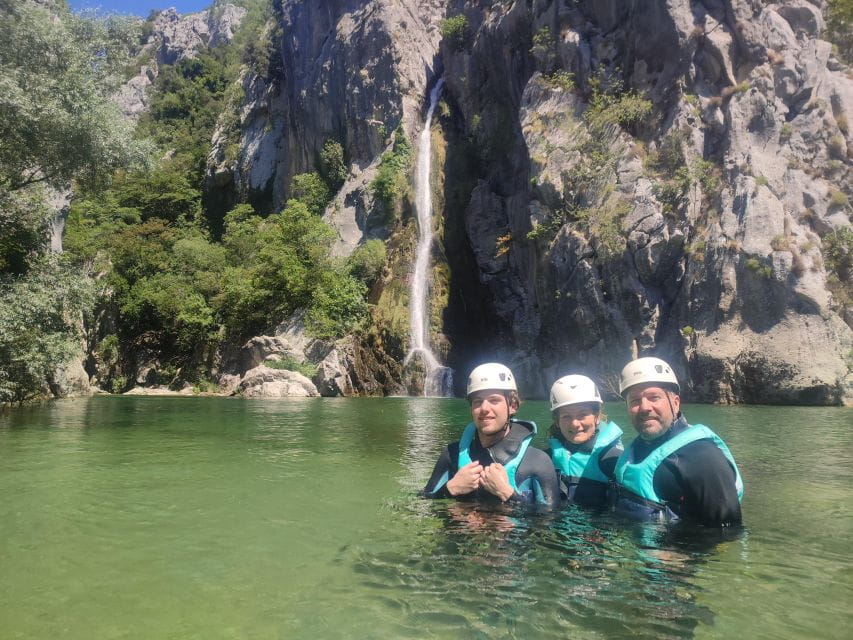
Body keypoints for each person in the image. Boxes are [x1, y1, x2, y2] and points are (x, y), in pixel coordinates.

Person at [613, 357, 744, 526]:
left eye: (654, 397)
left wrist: (681, 553)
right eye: (635, 401)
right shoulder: (634, 451)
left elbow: (728, 533)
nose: (645, 407)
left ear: (675, 403)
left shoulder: (703, 457)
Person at [422, 363, 560, 507]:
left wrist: (507, 494)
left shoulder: (537, 461)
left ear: (513, 406)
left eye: (494, 400)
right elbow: (421, 504)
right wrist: (450, 489)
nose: (484, 408)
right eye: (477, 401)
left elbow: (550, 521)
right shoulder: (451, 454)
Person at [546, 374, 623, 508]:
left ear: (597, 416)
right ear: (557, 421)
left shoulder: (613, 460)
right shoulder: (546, 458)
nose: (575, 423)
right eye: (566, 416)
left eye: (582, 414)